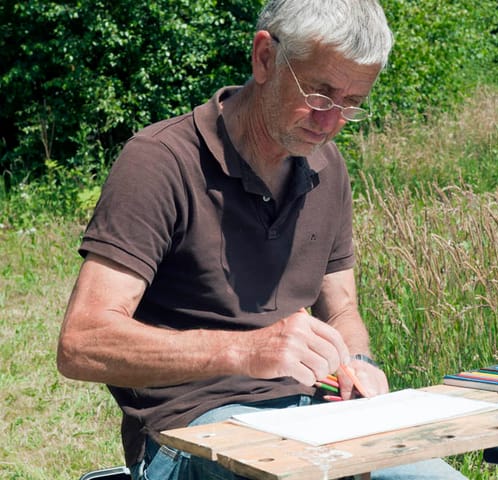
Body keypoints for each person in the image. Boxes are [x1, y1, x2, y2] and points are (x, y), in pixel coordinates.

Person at [57, 1, 467, 479]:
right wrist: (244, 352)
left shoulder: (326, 166)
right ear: (265, 58)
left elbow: (341, 310)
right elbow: (82, 343)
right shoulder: (160, 161)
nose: (331, 122)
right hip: (189, 430)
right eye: (320, 94)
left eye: (352, 104)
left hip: (316, 419)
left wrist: (357, 361)